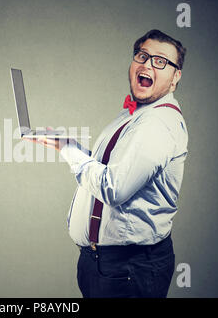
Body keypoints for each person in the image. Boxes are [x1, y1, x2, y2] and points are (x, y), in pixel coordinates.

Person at [27, 29, 188, 298]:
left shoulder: (157, 124)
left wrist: (68, 150)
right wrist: (69, 144)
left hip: (129, 268)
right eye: (142, 55)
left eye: (161, 61)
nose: (148, 64)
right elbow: (113, 167)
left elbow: (114, 188)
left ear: (175, 77)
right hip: (104, 264)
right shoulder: (135, 114)